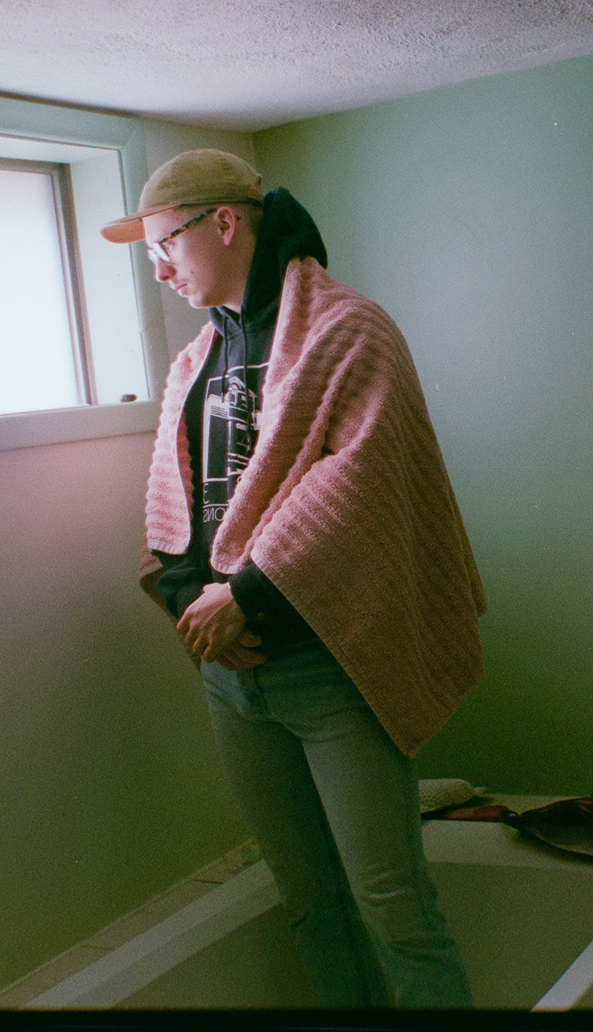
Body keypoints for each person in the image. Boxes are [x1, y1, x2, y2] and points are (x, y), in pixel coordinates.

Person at [101, 148, 484, 1009]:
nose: (158, 268)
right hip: (233, 676)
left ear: (223, 222)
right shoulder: (195, 360)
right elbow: (176, 506)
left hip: (330, 665)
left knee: (394, 906)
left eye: (165, 243)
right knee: (308, 900)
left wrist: (247, 596)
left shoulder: (349, 330)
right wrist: (191, 603)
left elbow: (364, 483)